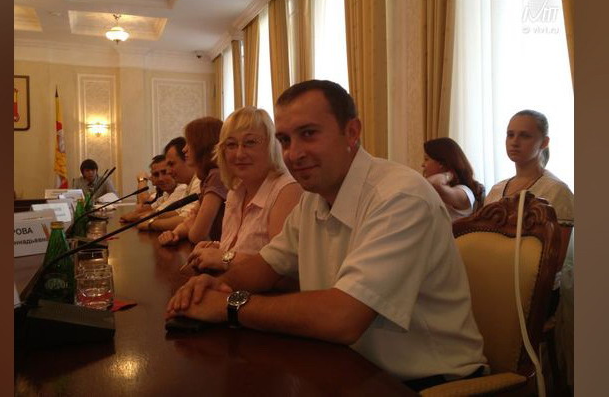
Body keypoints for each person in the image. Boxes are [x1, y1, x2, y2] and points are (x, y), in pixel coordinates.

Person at [166, 80, 487, 390]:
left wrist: (229, 305)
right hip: (347, 366)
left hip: (425, 382)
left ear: (352, 132)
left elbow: (342, 318)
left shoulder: (399, 196)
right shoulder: (313, 199)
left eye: (308, 134)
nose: (294, 153)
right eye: (285, 140)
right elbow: (266, 266)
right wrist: (217, 284)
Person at [484, 109, 574, 390]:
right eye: (510, 135)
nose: (514, 142)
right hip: (493, 281)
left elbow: (555, 260)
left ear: (543, 142)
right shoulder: (496, 190)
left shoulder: (556, 191)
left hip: (537, 290)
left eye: (524, 136)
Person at [184, 106, 303, 272]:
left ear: (271, 145)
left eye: (250, 142)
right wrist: (216, 248)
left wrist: (224, 257)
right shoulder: (236, 191)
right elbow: (241, 250)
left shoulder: (287, 190)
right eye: (231, 144)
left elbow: (282, 269)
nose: (239, 154)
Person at [158, 117, 228, 244]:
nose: (184, 149)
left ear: (203, 146)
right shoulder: (207, 178)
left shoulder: (216, 176)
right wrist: (175, 233)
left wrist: (191, 225)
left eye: (189, 143)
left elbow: (198, 235)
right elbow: (188, 221)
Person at [137, 138, 200, 231]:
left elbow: (184, 220)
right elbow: (176, 213)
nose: (169, 171)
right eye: (155, 174)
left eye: (172, 164)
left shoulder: (198, 182)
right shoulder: (188, 185)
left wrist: (151, 223)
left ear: (187, 160)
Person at [422, 137, 484, 221]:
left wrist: (449, 174)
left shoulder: (465, 192)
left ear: (441, 163)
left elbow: (435, 183)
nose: (423, 164)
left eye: (426, 159)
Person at [120, 154, 184, 223]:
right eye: (156, 175)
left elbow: (157, 214)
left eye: (164, 172)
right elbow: (148, 208)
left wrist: (134, 216)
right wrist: (134, 214)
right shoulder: (166, 194)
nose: (160, 178)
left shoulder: (182, 188)